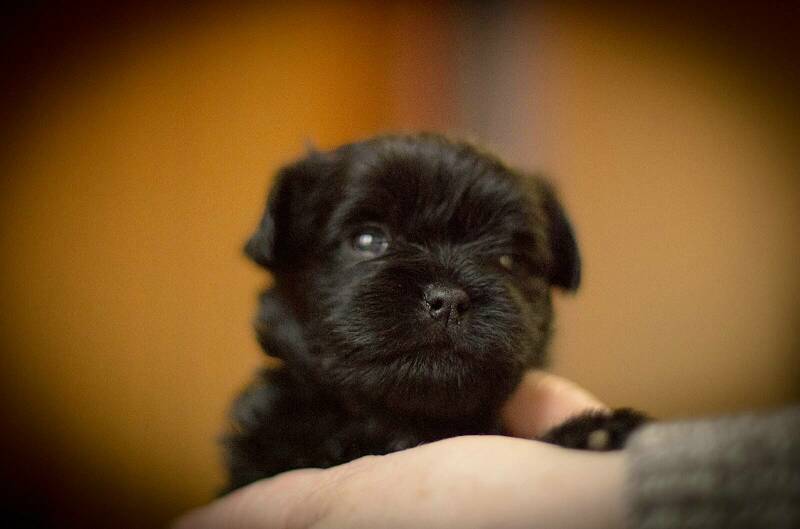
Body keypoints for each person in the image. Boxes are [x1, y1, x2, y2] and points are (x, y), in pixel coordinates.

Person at [173, 371, 800, 529]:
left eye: (503, 256)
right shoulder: (275, 431)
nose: (447, 290)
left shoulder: (540, 421)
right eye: (367, 239)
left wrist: (596, 487)